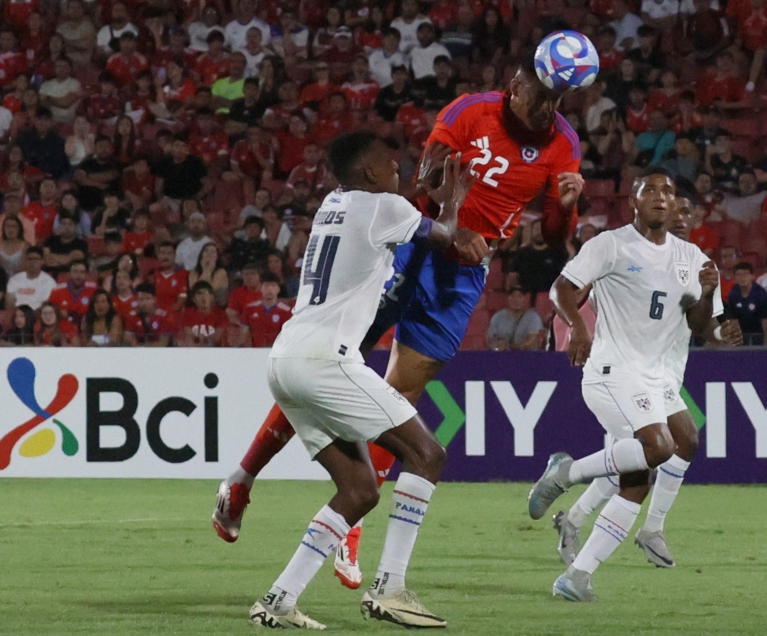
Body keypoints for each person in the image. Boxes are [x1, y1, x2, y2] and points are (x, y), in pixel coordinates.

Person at [212, 51, 585, 583]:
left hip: (462, 278)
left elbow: (553, 237)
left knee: (400, 395)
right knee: (327, 363)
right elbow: (422, 180)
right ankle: (242, 479)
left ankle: (350, 529)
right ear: (516, 83)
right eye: (541, 94)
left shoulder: (564, 143)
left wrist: (566, 205)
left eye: (558, 98)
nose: (549, 107)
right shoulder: (469, 111)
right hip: (411, 246)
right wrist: (444, 190)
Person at [248, 130, 468, 629]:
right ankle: (390, 588)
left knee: (359, 489)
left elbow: (393, 219)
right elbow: (448, 238)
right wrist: (452, 201)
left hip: (286, 359)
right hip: (328, 361)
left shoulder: (332, 203)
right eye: (391, 164)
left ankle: (279, 599)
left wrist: (423, 198)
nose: (399, 171)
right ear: (370, 173)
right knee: (428, 454)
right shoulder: (381, 207)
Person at [527, 169, 720, 602]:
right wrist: (577, 326)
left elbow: (700, 327)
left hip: (656, 376)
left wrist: (707, 295)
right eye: (648, 190)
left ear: (675, 207)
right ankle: (567, 473)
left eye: (667, 191)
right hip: (612, 370)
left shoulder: (691, 258)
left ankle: (576, 577)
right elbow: (562, 288)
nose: (658, 196)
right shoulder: (611, 245)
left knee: (665, 456)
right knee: (659, 448)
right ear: (632, 202)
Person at [728, 262, 767, 345]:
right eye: (738, 275)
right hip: (742, 333)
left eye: (745, 274)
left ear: (752, 276)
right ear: (735, 277)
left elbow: (765, 319)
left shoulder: (761, 294)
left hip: (759, 332)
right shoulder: (733, 293)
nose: (742, 278)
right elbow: (733, 319)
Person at [5, 246, 54, 310]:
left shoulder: (49, 282)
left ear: (42, 261)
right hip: (17, 315)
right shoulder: (14, 279)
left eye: (36, 259)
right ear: (25, 261)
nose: (32, 262)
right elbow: (9, 301)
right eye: (29, 259)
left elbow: (46, 305)